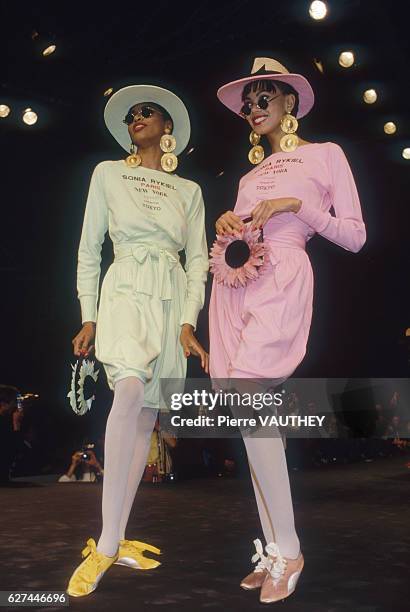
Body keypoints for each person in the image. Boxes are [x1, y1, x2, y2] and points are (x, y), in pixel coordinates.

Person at [209, 57, 366, 604]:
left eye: (265, 97)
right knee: (244, 416)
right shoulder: (249, 176)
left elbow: (355, 236)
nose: (254, 109)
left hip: (284, 275)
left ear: (290, 103)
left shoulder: (326, 155)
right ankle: (275, 546)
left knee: (251, 401)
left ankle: (292, 547)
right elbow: (240, 232)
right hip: (233, 284)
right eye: (248, 102)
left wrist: (300, 206)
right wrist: (228, 221)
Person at [66, 84, 209, 597]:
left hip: (171, 301)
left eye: (146, 113)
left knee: (147, 416)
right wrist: (89, 316)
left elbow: (198, 262)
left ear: (168, 126)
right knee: (127, 393)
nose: (136, 119)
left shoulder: (189, 192)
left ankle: (116, 536)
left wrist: (189, 321)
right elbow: (88, 250)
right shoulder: (108, 174)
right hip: (124, 288)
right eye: (130, 115)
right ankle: (106, 546)